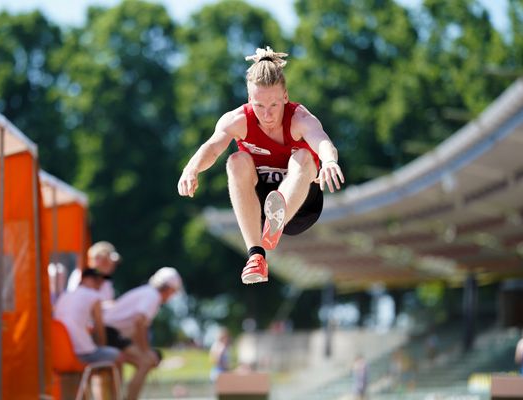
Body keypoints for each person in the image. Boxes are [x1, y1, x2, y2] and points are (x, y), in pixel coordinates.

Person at [177, 46, 345, 285]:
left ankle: (280, 212)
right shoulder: (237, 120)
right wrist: (191, 169)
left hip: (301, 206)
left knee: (304, 158)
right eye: (259, 106)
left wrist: (328, 161)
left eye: (274, 105)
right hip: (260, 206)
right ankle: (256, 256)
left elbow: (322, 141)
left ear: (285, 97)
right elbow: (213, 147)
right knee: (236, 161)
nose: (267, 115)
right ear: (249, 100)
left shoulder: (299, 118)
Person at [102, 267, 183, 400]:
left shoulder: (147, 293)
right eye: (173, 292)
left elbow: (135, 326)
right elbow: (139, 322)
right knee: (145, 362)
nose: (172, 296)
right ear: (168, 289)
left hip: (113, 334)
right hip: (110, 333)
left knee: (143, 361)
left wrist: (143, 350)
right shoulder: (152, 296)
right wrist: (146, 351)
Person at [54, 268, 122, 365]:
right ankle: (113, 380)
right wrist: (102, 346)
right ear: (86, 279)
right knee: (117, 355)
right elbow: (99, 328)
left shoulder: (65, 295)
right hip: (81, 352)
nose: (100, 285)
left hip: (60, 352)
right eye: (97, 281)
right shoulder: (93, 296)